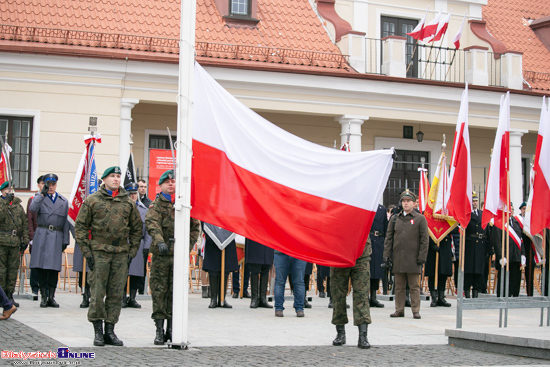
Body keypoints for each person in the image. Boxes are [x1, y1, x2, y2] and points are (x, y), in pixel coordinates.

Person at [75, 166, 142, 347]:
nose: (116, 179)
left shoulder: (128, 203)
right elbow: (80, 227)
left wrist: (132, 251)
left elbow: (137, 229)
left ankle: (110, 330)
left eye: (118, 176)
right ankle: (98, 331)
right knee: (97, 293)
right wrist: (87, 252)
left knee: (116, 293)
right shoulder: (92, 200)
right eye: (112, 176)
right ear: (104, 179)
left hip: (120, 253)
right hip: (99, 253)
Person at [146, 170, 200, 345]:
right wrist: (160, 242)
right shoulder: (156, 205)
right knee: (159, 291)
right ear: (160, 185)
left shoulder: (184, 204)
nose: (171, 184)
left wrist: (187, 246)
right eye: (167, 182)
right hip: (162, 256)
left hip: (178, 255)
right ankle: (159, 330)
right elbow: (152, 224)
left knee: (175, 292)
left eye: (173, 181)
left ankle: (172, 328)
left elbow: (194, 227)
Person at [383, 190, 429, 319]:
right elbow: (389, 238)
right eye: (403, 201)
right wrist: (386, 255)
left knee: (414, 286)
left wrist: (422, 257)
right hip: (398, 258)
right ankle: (399, 309)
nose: (406, 204)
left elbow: (425, 240)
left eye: (408, 201)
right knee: (399, 286)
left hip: (413, 259)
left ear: (414, 203)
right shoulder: (395, 218)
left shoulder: (420, 219)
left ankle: (415, 310)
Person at [29, 174, 69, 308]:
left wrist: (65, 239)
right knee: (41, 268)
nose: (51, 187)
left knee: (53, 269)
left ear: (56, 185)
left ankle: (51, 296)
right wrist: (41, 193)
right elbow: (32, 209)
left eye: (53, 184)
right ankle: (44, 296)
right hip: (42, 235)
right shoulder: (39, 198)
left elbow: (65, 223)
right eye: (48, 184)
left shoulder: (63, 201)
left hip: (56, 236)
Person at [331, 237, 372, 349]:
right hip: (339, 252)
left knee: (362, 294)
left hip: (361, 252)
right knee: (338, 294)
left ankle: (363, 335)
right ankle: (340, 333)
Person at [122, 182, 152, 309]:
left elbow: (148, 230)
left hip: (138, 244)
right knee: (122, 272)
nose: (133, 196)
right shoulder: (122, 207)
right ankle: (122, 298)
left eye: (134, 193)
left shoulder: (144, 210)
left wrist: (147, 246)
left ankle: (133, 298)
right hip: (124, 243)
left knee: (136, 273)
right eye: (130, 194)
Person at [0, 181, 29, 308]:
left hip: (15, 242)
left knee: (12, 271)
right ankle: (2, 297)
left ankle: (9, 295)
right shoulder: (1, 204)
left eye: (10, 189)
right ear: (2, 191)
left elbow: (24, 224)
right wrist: (5, 202)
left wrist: (25, 240)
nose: (8, 192)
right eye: (6, 190)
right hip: (2, 241)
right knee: (1, 270)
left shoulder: (18, 206)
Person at [490, 206, 525, 298]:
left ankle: (514, 296)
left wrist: (523, 254)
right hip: (505, 256)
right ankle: (503, 296)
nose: (511, 211)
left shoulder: (516, 223)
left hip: (516, 255)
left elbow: (521, 240)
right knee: (504, 279)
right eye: (509, 210)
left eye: (512, 210)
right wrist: (500, 256)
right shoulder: (499, 222)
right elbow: (496, 241)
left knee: (515, 278)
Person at [202, 222, 238, 309]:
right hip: (212, 238)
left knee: (225, 269)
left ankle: (222, 298)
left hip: (227, 240)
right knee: (213, 270)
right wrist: (213, 234)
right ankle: (213, 299)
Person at [464, 193, 486, 298]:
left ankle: (476, 290)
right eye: (473, 201)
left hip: (480, 245)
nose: (475, 203)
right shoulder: (466, 214)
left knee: (478, 270)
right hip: (470, 244)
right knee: (469, 270)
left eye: (476, 201)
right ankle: (467, 290)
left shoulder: (481, 214)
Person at [26, 175, 44, 301]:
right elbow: (29, 219)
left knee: (45, 263)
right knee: (35, 264)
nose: (45, 186)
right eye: (42, 183)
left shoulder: (50, 199)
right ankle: (35, 288)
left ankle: (44, 289)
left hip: (47, 238)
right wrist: (31, 236)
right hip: (36, 236)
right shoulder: (33, 199)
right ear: (38, 185)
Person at [273, 251, 306, 317]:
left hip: (281, 250)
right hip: (299, 251)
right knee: (299, 282)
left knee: (280, 282)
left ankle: (278, 309)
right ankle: (299, 309)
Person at [245, 238, 273, 308]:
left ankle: (263, 298)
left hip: (267, 240)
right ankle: (254, 298)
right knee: (254, 269)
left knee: (266, 268)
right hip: (255, 238)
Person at [425, 234, 452, 307]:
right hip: (433, 246)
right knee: (432, 274)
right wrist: (431, 243)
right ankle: (434, 298)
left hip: (445, 246)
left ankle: (441, 297)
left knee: (443, 274)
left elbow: (454, 229)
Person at [369, 204, 387, 308]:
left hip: (379, 241)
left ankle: (374, 297)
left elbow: (385, 226)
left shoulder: (382, 208)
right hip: (369, 239)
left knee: (377, 271)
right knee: (368, 270)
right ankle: (365, 296)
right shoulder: (367, 205)